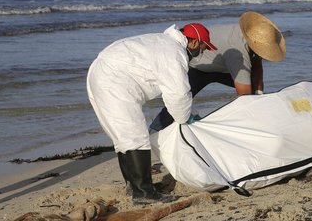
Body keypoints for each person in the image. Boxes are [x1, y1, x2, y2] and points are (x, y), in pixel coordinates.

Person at [86, 23, 216, 204]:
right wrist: (184, 119)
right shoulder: (174, 52)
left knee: (124, 138)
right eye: (203, 47)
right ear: (194, 43)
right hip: (114, 80)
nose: (202, 52)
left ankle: (133, 187)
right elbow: (178, 94)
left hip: (100, 73)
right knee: (136, 136)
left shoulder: (161, 42)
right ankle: (144, 193)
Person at [149, 11, 286, 131]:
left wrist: (259, 96)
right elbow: (244, 96)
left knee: (255, 92)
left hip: (222, 66)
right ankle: (155, 130)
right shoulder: (238, 52)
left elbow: (257, 67)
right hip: (199, 67)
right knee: (179, 99)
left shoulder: (255, 38)